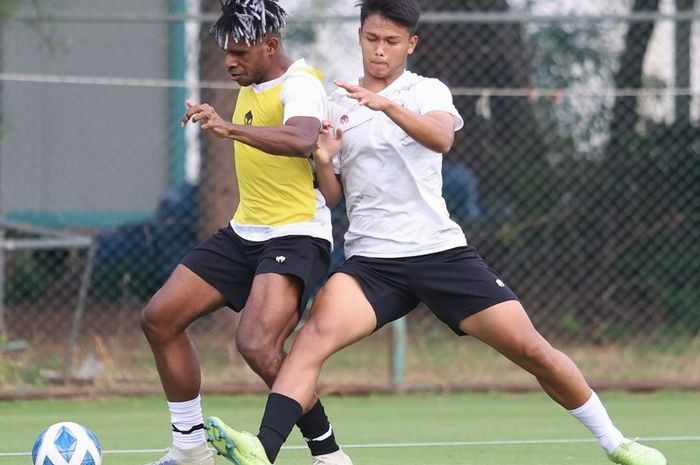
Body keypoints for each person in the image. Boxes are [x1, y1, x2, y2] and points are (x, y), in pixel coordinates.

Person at [203, 1, 668, 465]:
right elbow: (333, 197)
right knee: (310, 341)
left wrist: (385, 104)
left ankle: (615, 442)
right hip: (372, 264)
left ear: (411, 44)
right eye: (371, 39)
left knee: (531, 349)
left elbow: (441, 138)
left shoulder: (427, 91)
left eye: (390, 42)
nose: (379, 51)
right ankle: (262, 451)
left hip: (440, 253)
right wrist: (324, 159)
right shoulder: (337, 102)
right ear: (360, 37)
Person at [139, 1, 353, 464]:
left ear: (271, 45)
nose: (230, 61)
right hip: (244, 233)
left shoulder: (300, 82)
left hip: (296, 234)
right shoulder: (251, 77)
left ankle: (329, 455)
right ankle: (190, 447)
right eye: (226, 52)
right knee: (159, 318)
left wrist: (227, 127)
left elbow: (300, 138)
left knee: (257, 344)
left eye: (240, 52)